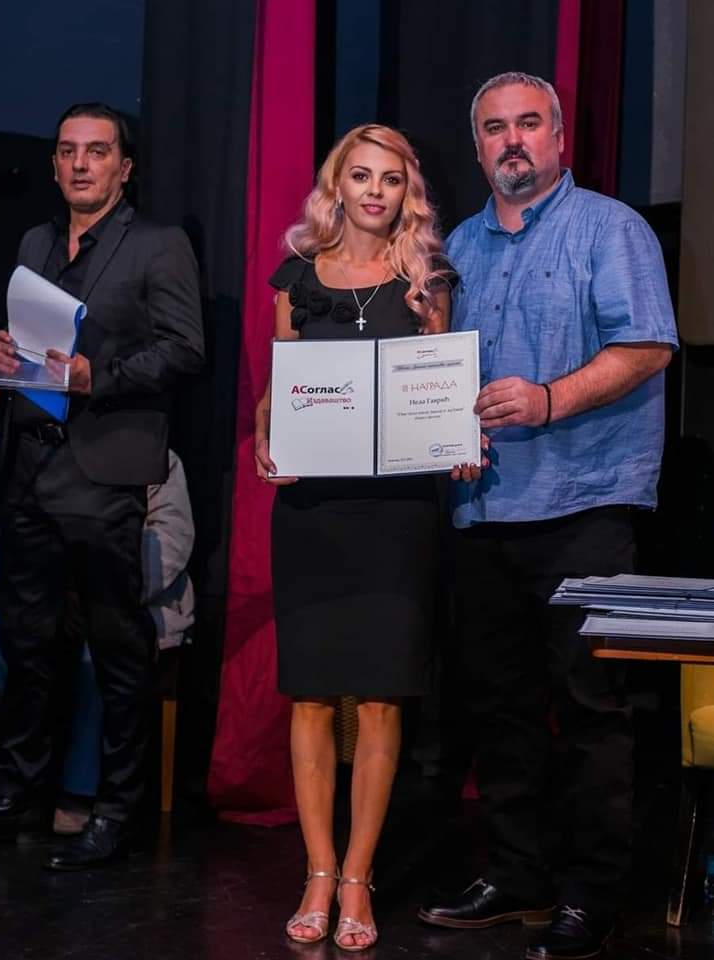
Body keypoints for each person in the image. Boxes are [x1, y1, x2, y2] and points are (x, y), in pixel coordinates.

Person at [418, 73, 678, 960]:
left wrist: (549, 399)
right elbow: (441, 375)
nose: (513, 140)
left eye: (529, 123)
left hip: (585, 504)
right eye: (495, 128)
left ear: (560, 138)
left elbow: (648, 347)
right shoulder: (458, 246)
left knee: (592, 707)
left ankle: (592, 894)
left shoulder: (611, 228)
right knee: (501, 709)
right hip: (483, 508)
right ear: (478, 147)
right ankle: (518, 875)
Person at [255, 124, 479, 952]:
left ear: (406, 192)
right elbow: (277, 388)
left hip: (396, 517)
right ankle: (317, 871)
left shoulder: (428, 280)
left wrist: (456, 429)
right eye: (361, 176)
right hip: (313, 514)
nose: (375, 191)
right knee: (312, 696)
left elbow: (441, 388)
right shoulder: (295, 277)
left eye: (390, 178)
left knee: (382, 698)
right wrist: (267, 438)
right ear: (337, 187)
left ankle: (357, 876)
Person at [0, 102, 204, 870]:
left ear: (123, 167)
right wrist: (4, 357)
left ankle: (117, 810)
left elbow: (185, 349)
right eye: (68, 151)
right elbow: (28, 347)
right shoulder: (34, 243)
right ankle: (20, 793)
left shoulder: (158, 244)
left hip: (104, 471)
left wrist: (92, 376)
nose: (80, 163)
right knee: (27, 644)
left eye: (97, 151)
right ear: (53, 165)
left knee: (117, 649)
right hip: (30, 468)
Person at [0, 449, 195, 834]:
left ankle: (80, 789)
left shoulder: (151, 455)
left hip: (131, 599)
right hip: (48, 600)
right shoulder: (37, 456)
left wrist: (98, 592)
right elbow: (8, 543)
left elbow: (170, 542)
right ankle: (27, 779)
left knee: (102, 648)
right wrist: (49, 596)